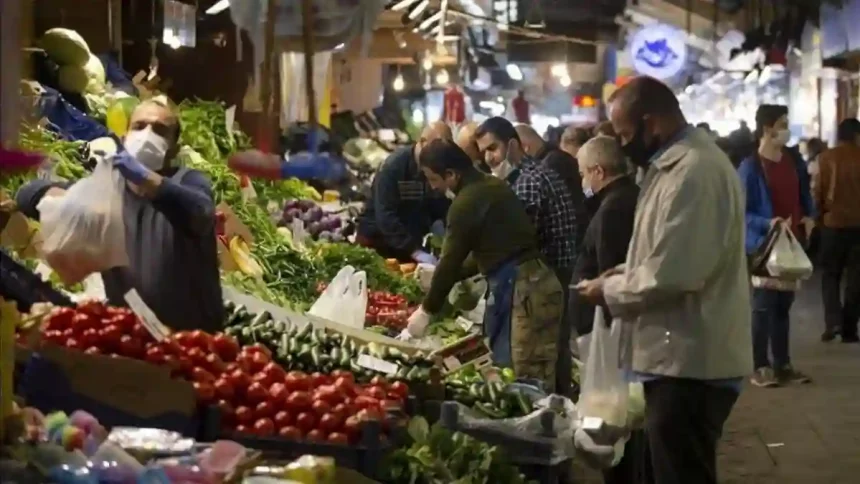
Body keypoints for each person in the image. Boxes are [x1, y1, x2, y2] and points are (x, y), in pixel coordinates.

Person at [577, 76, 751, 484]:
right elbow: (665, 251)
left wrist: (609, 290)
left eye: (624, 133)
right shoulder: (670, 167)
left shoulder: (694, 172)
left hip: (692, 360)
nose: (621, 144)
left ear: (651, 122)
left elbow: (674, 273)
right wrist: (623, 272)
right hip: (675, 357)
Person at [16, 99, 223, 332]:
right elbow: (25, 195)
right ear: (124, 139)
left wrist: (146, 178)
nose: (147, 135)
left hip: (194, 342)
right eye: (139, 126)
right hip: (130, 336)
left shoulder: (188, 181)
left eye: (160, 130)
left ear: (174, 147)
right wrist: (64, 197)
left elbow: (201, 214)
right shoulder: (107, 191)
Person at [399, 139, 563, 391]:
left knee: (519, 375)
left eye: (433, 179)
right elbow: (487, 250)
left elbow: (452, 259)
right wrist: (444, 276)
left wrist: (426, 310)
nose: (433, 187)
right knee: (523, 369)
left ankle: (528, 428)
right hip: (533, 281)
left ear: (451, 175)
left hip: (520, 289)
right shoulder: (492, 186)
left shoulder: (466, 202)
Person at [571, 135, 647, 483]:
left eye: (584, 173)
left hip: (610, 329)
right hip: (615, 328)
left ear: (598, 171)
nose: (583, 181)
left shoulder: (615, 207)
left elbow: (612, 271)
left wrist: (597, 291)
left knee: (614, 416)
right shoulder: (629, 196)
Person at [738, 104, 815, 386]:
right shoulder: (750, 167)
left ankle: (783, 364)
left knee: (783, 306)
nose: (786, 128)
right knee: (762, 307)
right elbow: (740, 211)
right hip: (763, 247)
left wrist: (809, 215)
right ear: (767, 128)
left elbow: (803, 193)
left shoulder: (792, 161)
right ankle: (760, 366)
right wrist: (766, 222)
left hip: (791, 245)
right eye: (782, 123)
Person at [356, 122, 452, 263]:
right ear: (422, 142)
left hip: (408, 246)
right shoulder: (394, 167)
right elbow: (385, 216)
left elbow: (438, 206)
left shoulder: (432, 167)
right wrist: (414, 251)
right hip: (377, 245)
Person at [814, 118, 860, 343]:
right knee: (856, 278)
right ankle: (850, 329)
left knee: (830, 276)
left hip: (832, 225)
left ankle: (833, 322)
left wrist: (819, 216)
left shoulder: (826, 158)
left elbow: (818, 192)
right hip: (859, 227)